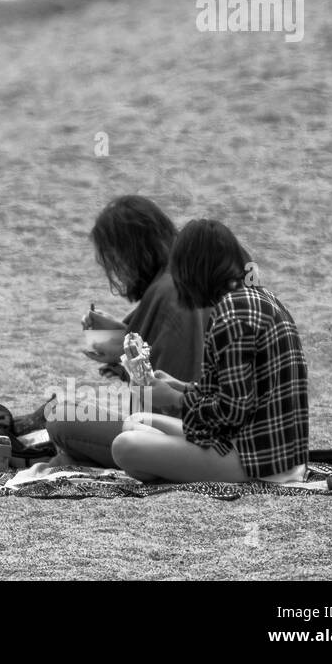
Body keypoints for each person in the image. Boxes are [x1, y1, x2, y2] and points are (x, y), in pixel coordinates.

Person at [111, 219, 309, 484]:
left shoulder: (232, 316)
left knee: (125, 446)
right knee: (137, 422)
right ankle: (183, 465)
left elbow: (233, 411)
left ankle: (186, 468)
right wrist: (181, 387)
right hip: (276, 453)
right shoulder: (258, 297)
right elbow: (238, 393)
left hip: (259, 463)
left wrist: (174, 399)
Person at [44, 195, 206, 467]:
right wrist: (123, 341)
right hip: (209, 435)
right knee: (67, 433)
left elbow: (162, 409)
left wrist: (122, 351)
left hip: (187, 445)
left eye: (115, 263)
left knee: (61, 417)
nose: (118, 275)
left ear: (132, 252)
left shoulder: (169, 293)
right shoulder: (185, 276)